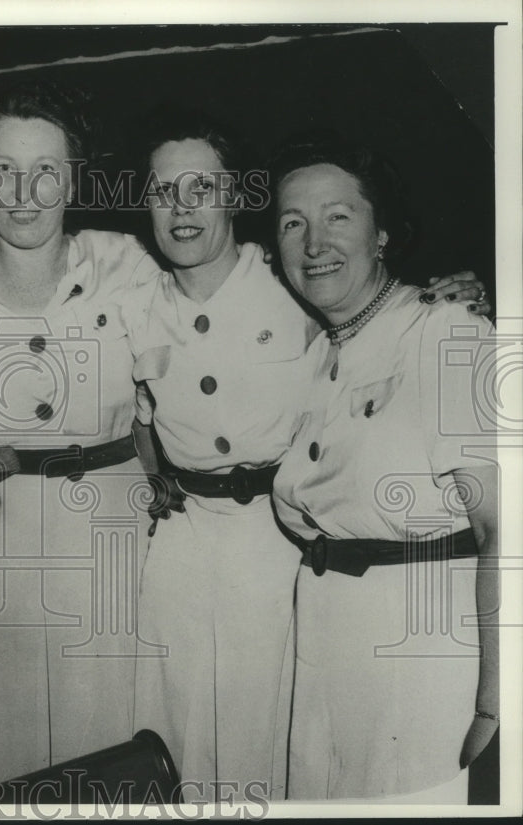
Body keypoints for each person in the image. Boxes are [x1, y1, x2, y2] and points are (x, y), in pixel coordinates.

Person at [120, 106, 490, 803]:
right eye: (163, 191)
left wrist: (471, 295)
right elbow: (138, 414)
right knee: (178, 744)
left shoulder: (306, 288)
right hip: (201, 560)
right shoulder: (135, 296)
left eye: (204, 187)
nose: (183, 208)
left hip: (297, 566)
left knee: (274, 755)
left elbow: (384, 316)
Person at [0, 82, 164, 780]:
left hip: (113, 532)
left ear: (74, 178)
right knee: (8, 739)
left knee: (113, 737)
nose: (24, 191)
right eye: (3, 169)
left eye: (46, 171)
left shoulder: (126, 264)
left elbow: (212, 346)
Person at [266, 133, 498, 801]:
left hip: (423, 658)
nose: (313, 242)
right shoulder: (314, 357)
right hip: (327, 651)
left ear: (384, 234)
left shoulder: (448, 333)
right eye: (292, 222)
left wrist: (495, 709)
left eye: (339, 216)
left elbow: (504, 533)